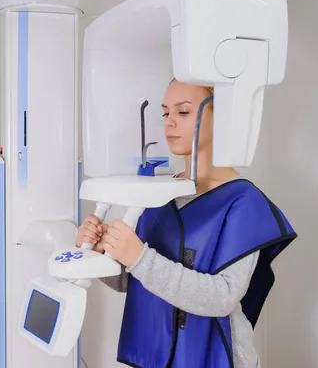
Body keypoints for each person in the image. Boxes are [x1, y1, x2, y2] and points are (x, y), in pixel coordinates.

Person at [75, 79, 297, 368]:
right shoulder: (160, 192)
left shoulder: (244, 201)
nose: (169, 123)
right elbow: (130, 281)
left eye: (183, 112)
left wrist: (138, 257)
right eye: (166, 113)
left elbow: (223, 297)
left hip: (215, 357)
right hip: (157, 355)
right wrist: (102, 251)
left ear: (223, 115)